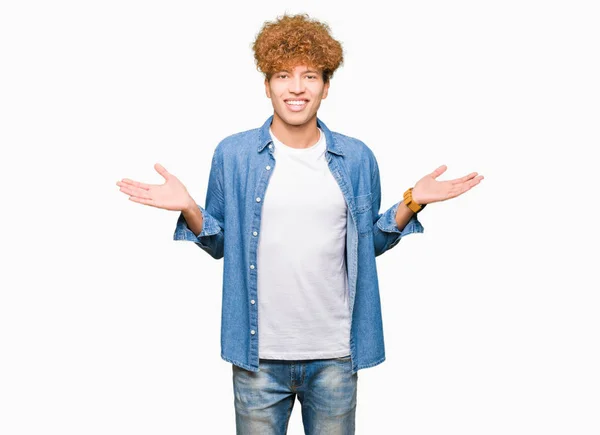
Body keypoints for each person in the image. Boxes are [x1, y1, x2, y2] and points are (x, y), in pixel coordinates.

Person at [116, 12, 483, 435]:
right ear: (267, 84)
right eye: (282, 75)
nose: (296, 87)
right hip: (257, 358)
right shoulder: (233, 156)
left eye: (309, 76)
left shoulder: (357, 158)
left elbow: (367, 246)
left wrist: (412, 202)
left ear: (326, 86)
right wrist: (190, 209)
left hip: (335, 357)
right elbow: (220, 245)